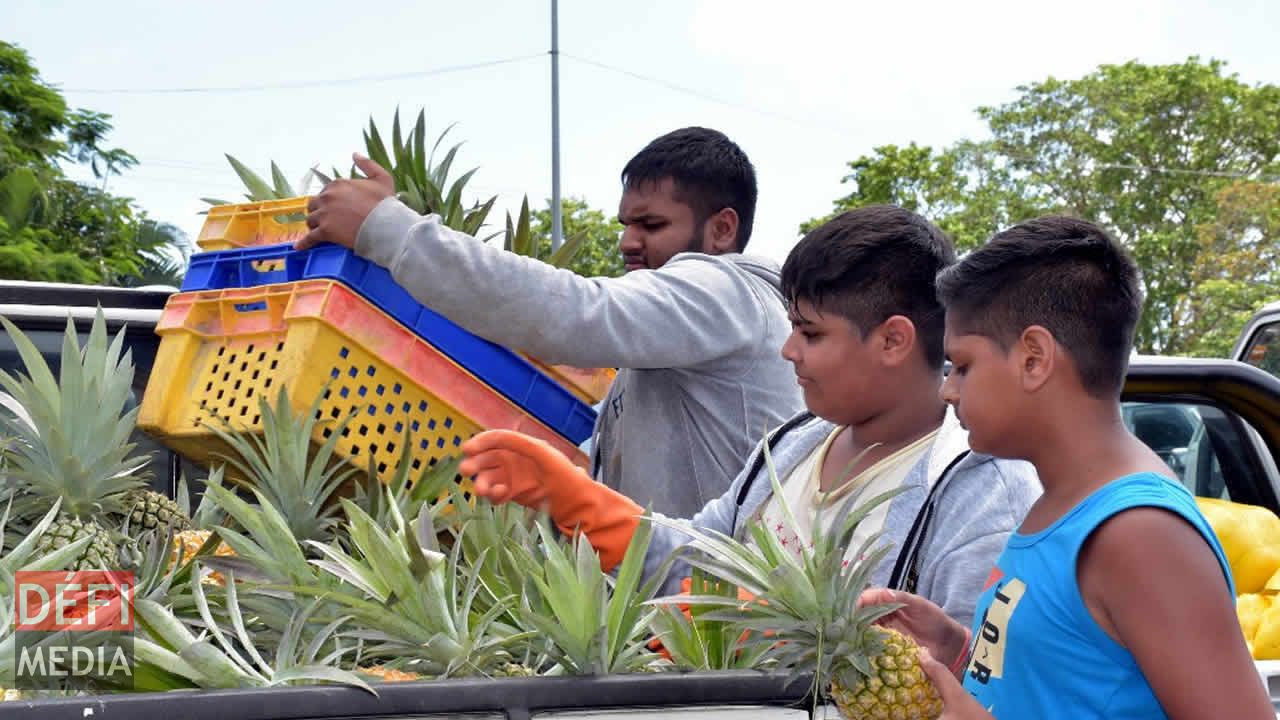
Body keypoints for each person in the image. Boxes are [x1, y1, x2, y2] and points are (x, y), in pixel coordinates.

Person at [459, 206, 1041, 628]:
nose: (789, 352)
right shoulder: (796, 443)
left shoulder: (979, 493)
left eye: (810, 333)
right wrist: (584, 505)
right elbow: (699, 563)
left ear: (893, 340)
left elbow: (974, 683)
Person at [862, 216, 1272, 719]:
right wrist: (958, 649)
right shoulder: (1060, 502)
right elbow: (1068, 680)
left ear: (1034, 358)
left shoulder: (1138, 534)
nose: (948, 390)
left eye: (963, 366)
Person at [299, 127, 802, 517]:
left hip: (718, 620)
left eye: (651, 225)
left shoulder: (725, 291)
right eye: (625, 223)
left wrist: (388, 230)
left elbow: (577, 312)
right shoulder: (671, 342)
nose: (628, 242)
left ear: (721, 229)